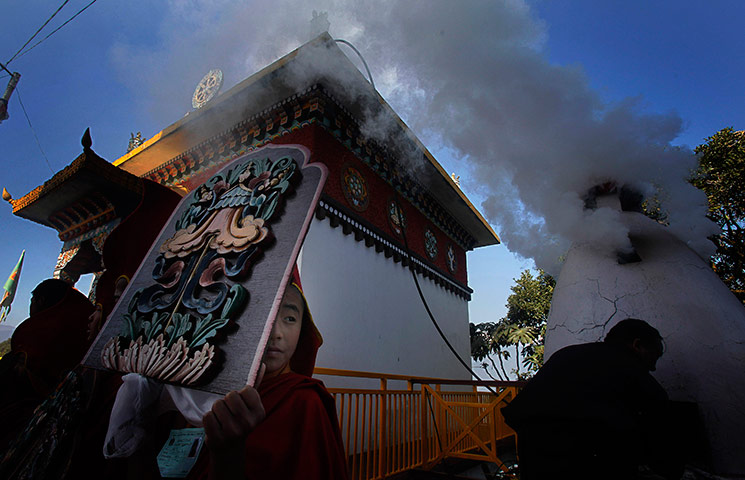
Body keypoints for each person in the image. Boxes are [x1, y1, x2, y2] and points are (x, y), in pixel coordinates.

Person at [104, 271, 349, 480]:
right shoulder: (193, 396)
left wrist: (229, 458)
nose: (276, 333)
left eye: (290, 318)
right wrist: (137, 434)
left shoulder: (304, 402)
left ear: (302, 329)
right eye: (264, 315)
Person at [501, 318, 676, 480]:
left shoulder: (567, 354)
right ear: (637, 345)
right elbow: (659, 443)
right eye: (654, 356)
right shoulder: (634, 374)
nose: (653, 367)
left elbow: (520, 410)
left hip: (534, 456)